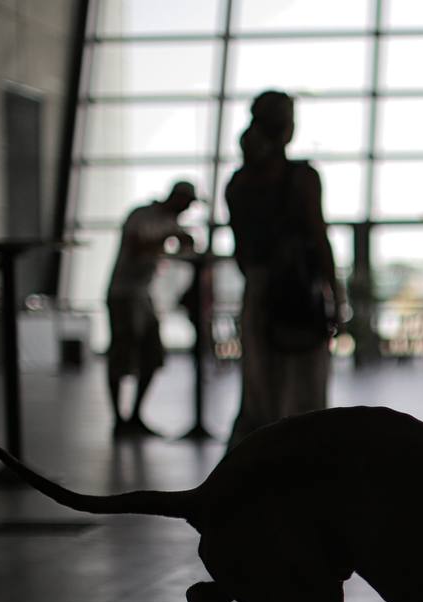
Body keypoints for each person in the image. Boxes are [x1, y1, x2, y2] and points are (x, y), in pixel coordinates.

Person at [225, 91, 344, 448]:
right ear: (287, 128)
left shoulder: (238, 184)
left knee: (261, 390)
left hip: (258, 295)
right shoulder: (302, 177)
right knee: (305, 390)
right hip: (300, 291)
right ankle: (303, 469)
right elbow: (318, 236)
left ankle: (255, 471)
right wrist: (335, 292)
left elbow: (241, 253)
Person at [105, 181, 196, 439]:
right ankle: (119, 419)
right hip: (123, 293)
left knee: (151, 355)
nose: (187, 211)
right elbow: (136, 248)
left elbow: (184, 245)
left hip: (142, 295)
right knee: (122, 355)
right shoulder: (141, 216)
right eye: (186, 205)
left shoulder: (168, 222)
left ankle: (133, 416)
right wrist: (169, 238)